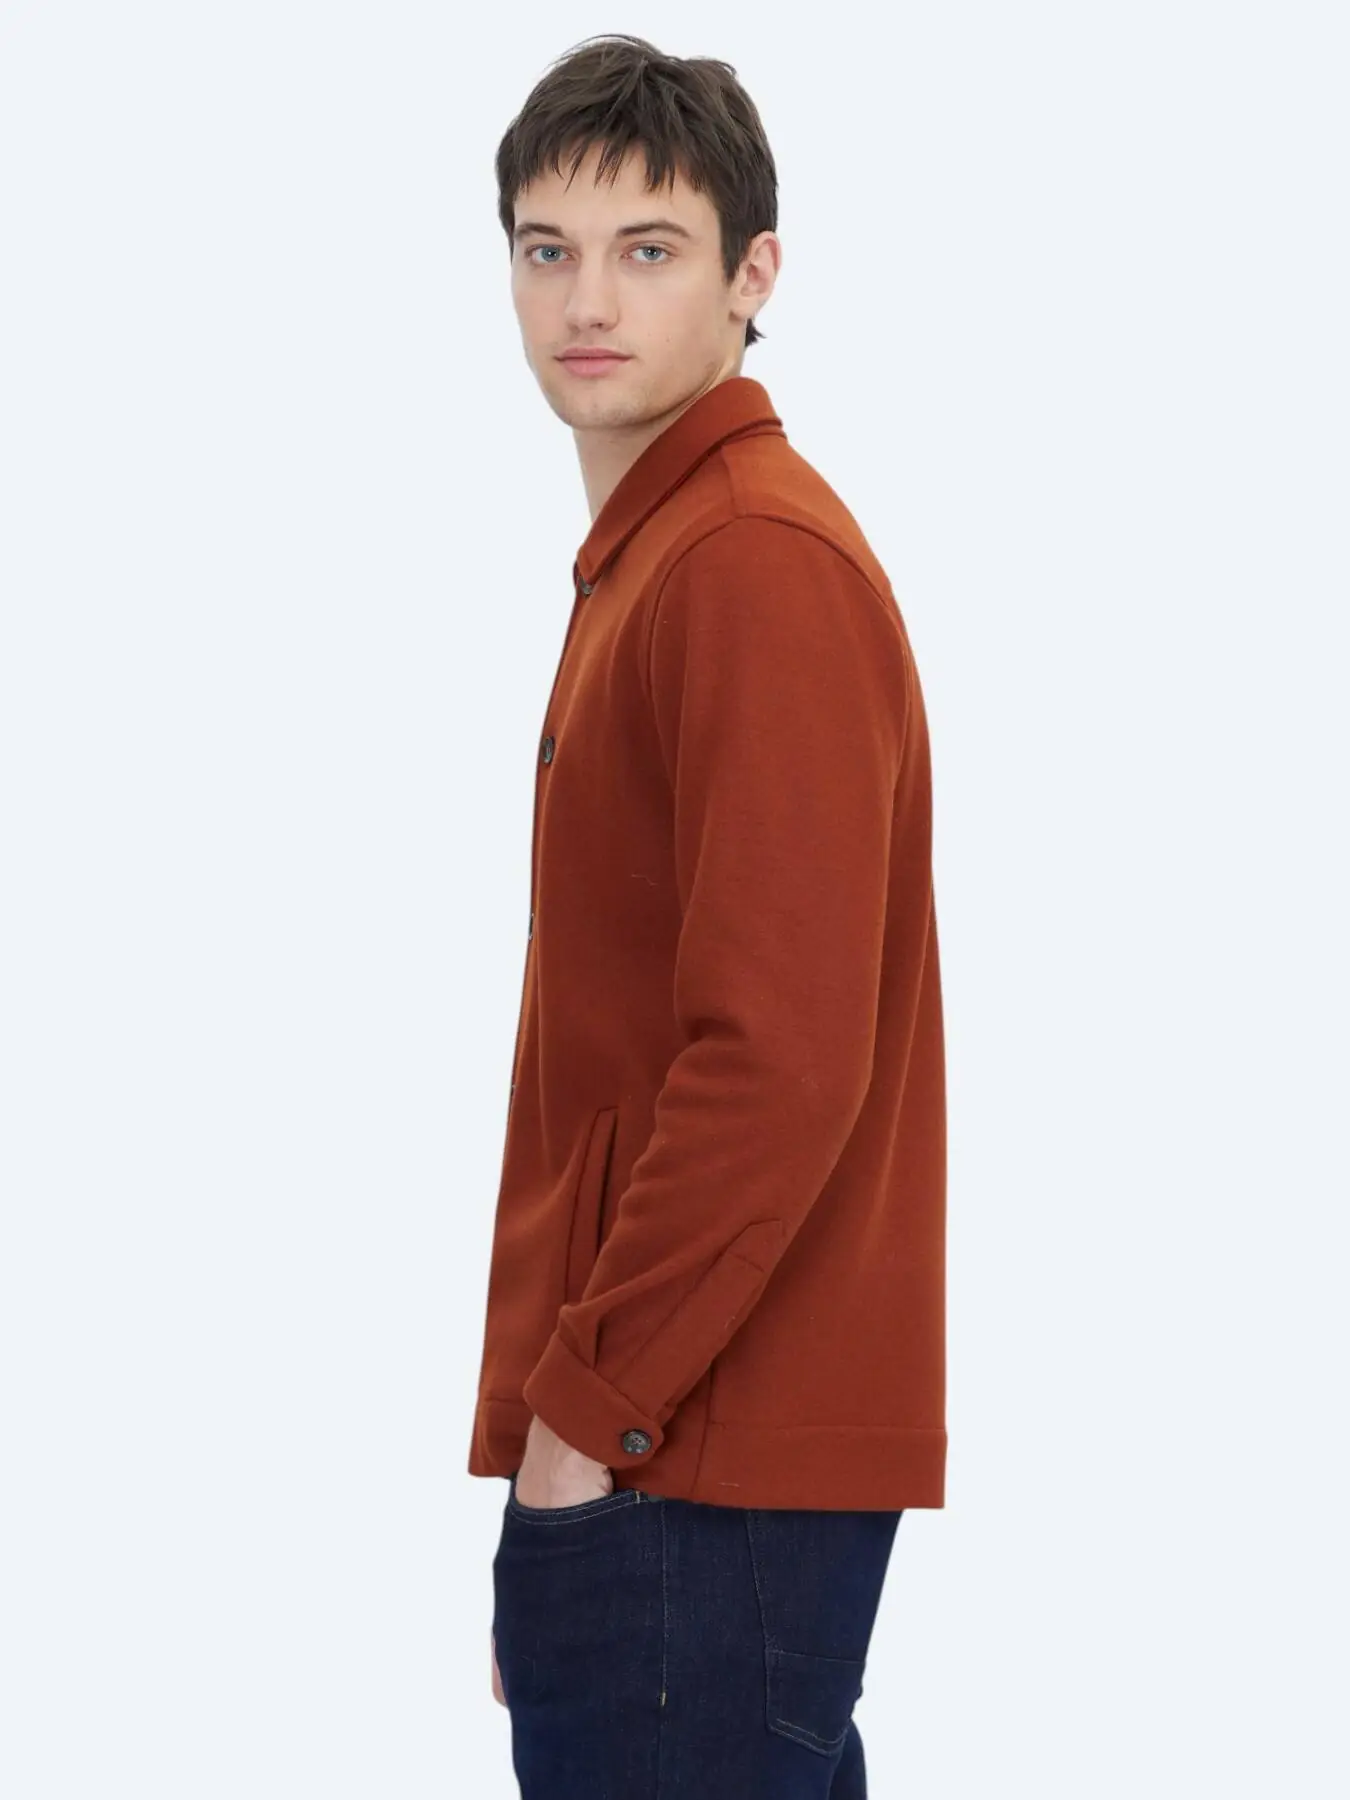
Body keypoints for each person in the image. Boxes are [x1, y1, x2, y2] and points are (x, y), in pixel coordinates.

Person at [467, 32, 947, 1797]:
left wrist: (579, 1429)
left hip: (690, 1450)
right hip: (677, 1443)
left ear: (753, 274)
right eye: (547, 248)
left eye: (648, 249)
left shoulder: (745, 564)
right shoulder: (666, 556)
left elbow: (776, 1060)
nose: (586, 300)